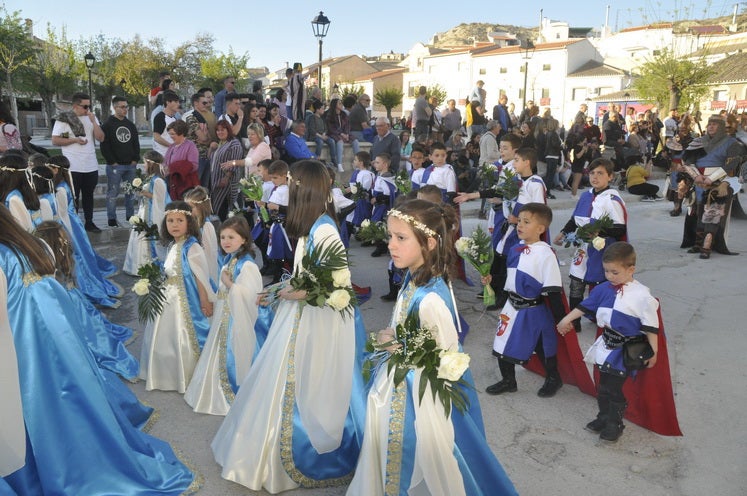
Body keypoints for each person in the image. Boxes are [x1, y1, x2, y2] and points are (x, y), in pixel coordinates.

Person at [0, 204, 196, 495]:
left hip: (22, 340)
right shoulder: (22, 246)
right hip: (50, 335)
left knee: (36, 407)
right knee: (64, 402)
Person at [212, 160, 365, 493]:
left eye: (292, 187)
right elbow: (304, 277)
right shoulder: (314, 228)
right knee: (281, 377)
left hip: (316, 320)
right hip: (300, 314)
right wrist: (278, 289)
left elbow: (333, 285)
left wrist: (287, 291)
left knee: (304, 383)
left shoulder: (324, 230)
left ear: (304, 191)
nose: (287, 192)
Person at [347, 199, 517, 496]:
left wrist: (395, 348)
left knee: (423, 460)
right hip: (402, 380)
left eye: (401, 238)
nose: (391, 245)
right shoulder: (414, 279)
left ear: (429, 242)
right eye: (390, 236)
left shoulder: (431, 299)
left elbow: (441, 363)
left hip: (421, 396)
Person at [558, 241, 680, 441]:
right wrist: (567, 319)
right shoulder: (603, 289)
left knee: (613, 388)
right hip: (606, 344)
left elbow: (651, 327)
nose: (609, 276)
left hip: (624, 350)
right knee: (602, 384)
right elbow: (585, 306)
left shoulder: (642, 296)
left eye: (615, 272)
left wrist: (655, 352)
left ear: (631, 269)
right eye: (606, 271)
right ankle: (603, 416)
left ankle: (615, 423)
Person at [184, 215, 263, 415]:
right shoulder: (231, 260)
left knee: (231, 357)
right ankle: (211, 393)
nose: (226, 242)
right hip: (224, 320)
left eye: (231, 237)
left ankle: (232, 393)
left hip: (237, 324)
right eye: (223, 237)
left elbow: (251, 297)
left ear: (244, 239)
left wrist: (229, 284)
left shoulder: (248, 265)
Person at [486, 203, 565, 397]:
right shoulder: (515, 249)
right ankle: (508, 380)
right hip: (511, 306)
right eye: (519, 220)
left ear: (540, 229)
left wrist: (561, 319)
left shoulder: (546, 254)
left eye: (526, 222)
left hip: (532, 310)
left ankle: (553, 378)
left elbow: (553, 289)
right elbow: (508, 276)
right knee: (502, 342)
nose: (519, 225)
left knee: (543, 346)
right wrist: (492, 280)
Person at [139, 201, 216, 393]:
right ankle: (166, 375)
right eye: (170, 221)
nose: (174, 225)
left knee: (182, 336)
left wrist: (204, 301)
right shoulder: (174, 244)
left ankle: (187, 374)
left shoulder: (192, 247)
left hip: (183, 300)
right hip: (168, 297)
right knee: (165, 337)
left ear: (189, 222)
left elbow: (201, 277)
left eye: (179, 220)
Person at [553, 158, 627, 333]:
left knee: (602, 283)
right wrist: (563, 232)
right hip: (582, 247)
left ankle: (601, 315)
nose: (595, 177)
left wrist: (599, 232)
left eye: (600, 173)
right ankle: (575, 321)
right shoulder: (586, 195)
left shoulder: (612, 199)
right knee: (576, 281)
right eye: (592, 173)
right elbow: (575, 219)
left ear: (610, 177)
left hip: (602, 249)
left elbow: (619, 227)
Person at [46, 154, 124, 308]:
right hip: (73, 222)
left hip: (69, 225)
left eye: (50, 168)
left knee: (77, 254)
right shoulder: (63, 184)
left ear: (56, 169)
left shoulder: (61, 188)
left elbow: (62, 214)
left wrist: (65, 234)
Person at [51, 92, 105, 232]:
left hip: (90, 163)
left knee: (89, 195)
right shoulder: (64, 119)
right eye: (85, 106)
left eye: (89, 106)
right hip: (72, 164)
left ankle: (89, 222)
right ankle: (73, 224)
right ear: (75, 106)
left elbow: (101, 138)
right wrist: (74, 140)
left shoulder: (91, 118)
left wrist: (94, 121)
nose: (87, 109)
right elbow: (56, 140)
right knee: (73, 196)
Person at [123, 151, 171, 275]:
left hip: (152, 214)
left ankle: (150, 265)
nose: (143, 165)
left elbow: (160, 199)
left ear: (150, 164)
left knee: (148, 237)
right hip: (144, 210)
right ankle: (138, 265)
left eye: (144, 162)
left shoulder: (158, 180)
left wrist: (143, 193)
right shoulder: (150, 178)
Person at [101, 96, 140, 227]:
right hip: (115, 166)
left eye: (126, 107)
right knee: (113, 193)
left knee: (131, 192)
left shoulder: (130, 125)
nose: (125, 109)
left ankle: (130, 216)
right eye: (122, 107)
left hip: (130, 165)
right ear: (114, 107)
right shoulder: (107, 125)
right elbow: (104, 145)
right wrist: (112, 162)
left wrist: (135, 159)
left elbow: (136, 143)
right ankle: (111, 218)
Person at [209, 120, 245, 220]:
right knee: (218, 212)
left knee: (225, 211)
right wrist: (211, 148)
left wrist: (226, 178)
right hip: (216, 182)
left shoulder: (234, 144)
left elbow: (234, 163)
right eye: (218, 130)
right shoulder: (219, 143)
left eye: (223, 130)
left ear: (228, 130)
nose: (220, 132)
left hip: (227, 184)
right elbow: (211, 159)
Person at [184, 187, 219, 288]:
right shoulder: (193, 222)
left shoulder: (206, 226)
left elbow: (209, 254)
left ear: (201, 207)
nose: (188, 211)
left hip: (205, 267)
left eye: (191, 207)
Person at [185, 92, 218, 189]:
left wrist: (205, 139)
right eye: (204, 103)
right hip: (196, 158)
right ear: (196, 103)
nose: (207, 105)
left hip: (206, 156)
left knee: (205, 188)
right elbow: (204, 138)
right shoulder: (191, 118)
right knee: (195, 187)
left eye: (208, 103)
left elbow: (208, 139)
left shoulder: (202, 119)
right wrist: (205, 139)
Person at [164, 120, 199, 200]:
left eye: (173, 134)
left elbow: (194, 165)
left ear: (181, 133)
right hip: (171, 183)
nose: (171, 136)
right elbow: (165, 162)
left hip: (185, 185)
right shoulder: (172, 146)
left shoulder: (190, 146)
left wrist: (173, 168)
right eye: (170, 134)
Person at [327, 98, 358, 172]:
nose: (341, 105)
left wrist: (346, 133)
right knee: (340, 142)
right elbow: (331, 128)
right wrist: (341, 134)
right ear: (335, 105)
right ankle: (339, 164)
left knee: (355, 141)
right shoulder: (330, 115)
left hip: (345, 133)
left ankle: (358, 162)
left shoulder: (344, 114)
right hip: (334, 133)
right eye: (339, 103)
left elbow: (348, 125)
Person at [305, 100, 336, 164]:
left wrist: (324, 134)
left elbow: (325, 128)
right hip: (315, 136)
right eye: (322, 109)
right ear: (317, 110)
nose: (323, 110)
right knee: (320, 142)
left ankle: (333, 158)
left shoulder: (322, 118)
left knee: (332, 141)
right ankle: (317, 158)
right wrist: (321, 136)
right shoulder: (312, 117)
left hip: (322, 136)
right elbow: (312, 130)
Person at [151, 90, 180, 157]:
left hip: (173, 155)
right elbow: (156, 137)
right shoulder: (160, 117)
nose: (178, 104)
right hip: (162, 155)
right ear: (168, 102)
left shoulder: (174, 118)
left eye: (178, 102)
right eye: (175, 102)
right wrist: (171, 146)